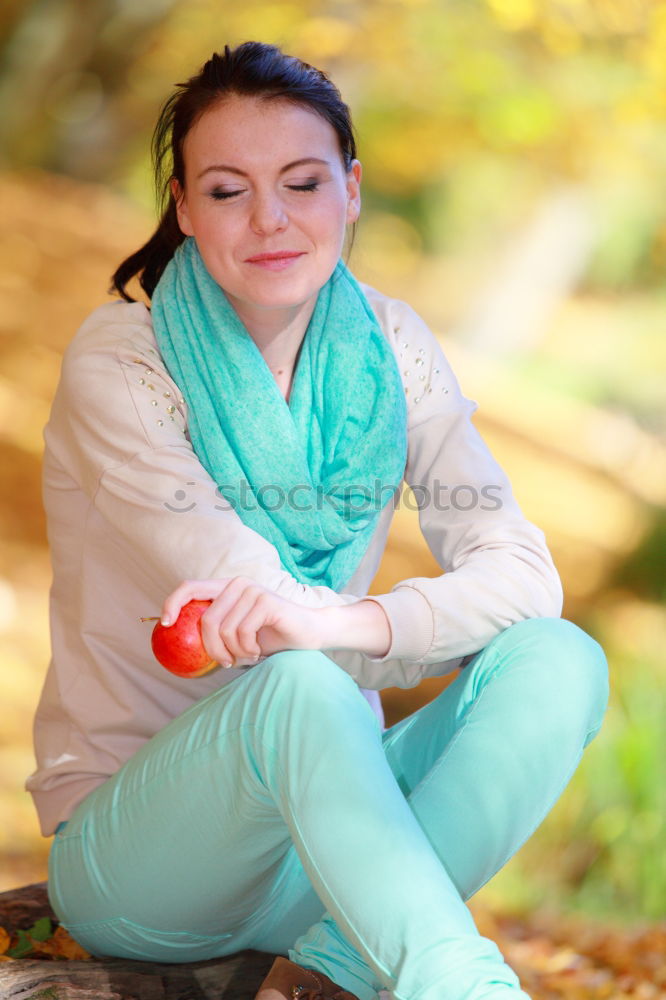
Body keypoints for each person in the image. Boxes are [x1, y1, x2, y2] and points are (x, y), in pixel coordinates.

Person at [27, 41, 609, 1000]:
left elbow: (518, 567)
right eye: (227, 191)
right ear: (181, 204)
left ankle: (334, 970)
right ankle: (463, 987)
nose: (269, 221)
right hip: (143, 863)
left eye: (302, 182)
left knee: (559, 658)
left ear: (352, 188)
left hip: (332, 846)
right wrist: (326, 635)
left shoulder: (391, 348)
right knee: (299, 682)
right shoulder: (122, 363)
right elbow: (238, 584)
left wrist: (354, 625)